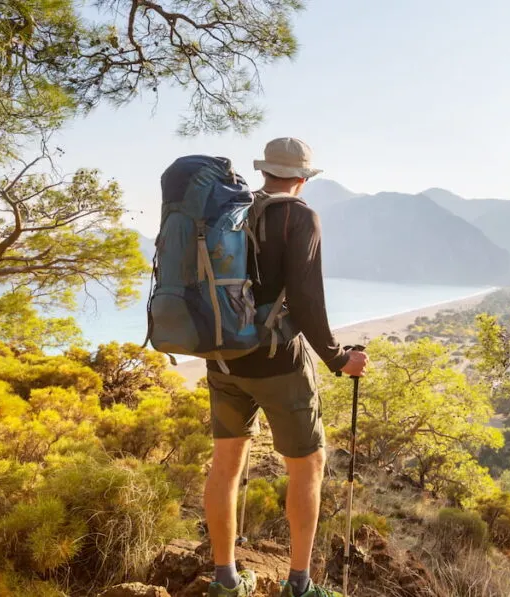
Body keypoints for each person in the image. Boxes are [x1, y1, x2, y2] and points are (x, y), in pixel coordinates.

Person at [205, 137, 368, 597]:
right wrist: (339, 359)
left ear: (265, 172)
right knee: (307, 465)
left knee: (225, 465)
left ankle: (225, 580)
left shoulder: (228, 213)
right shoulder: (299, 216)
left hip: (222, 358)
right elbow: (306, 298)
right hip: (278, 361)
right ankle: (299, 584)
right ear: (302, 177)